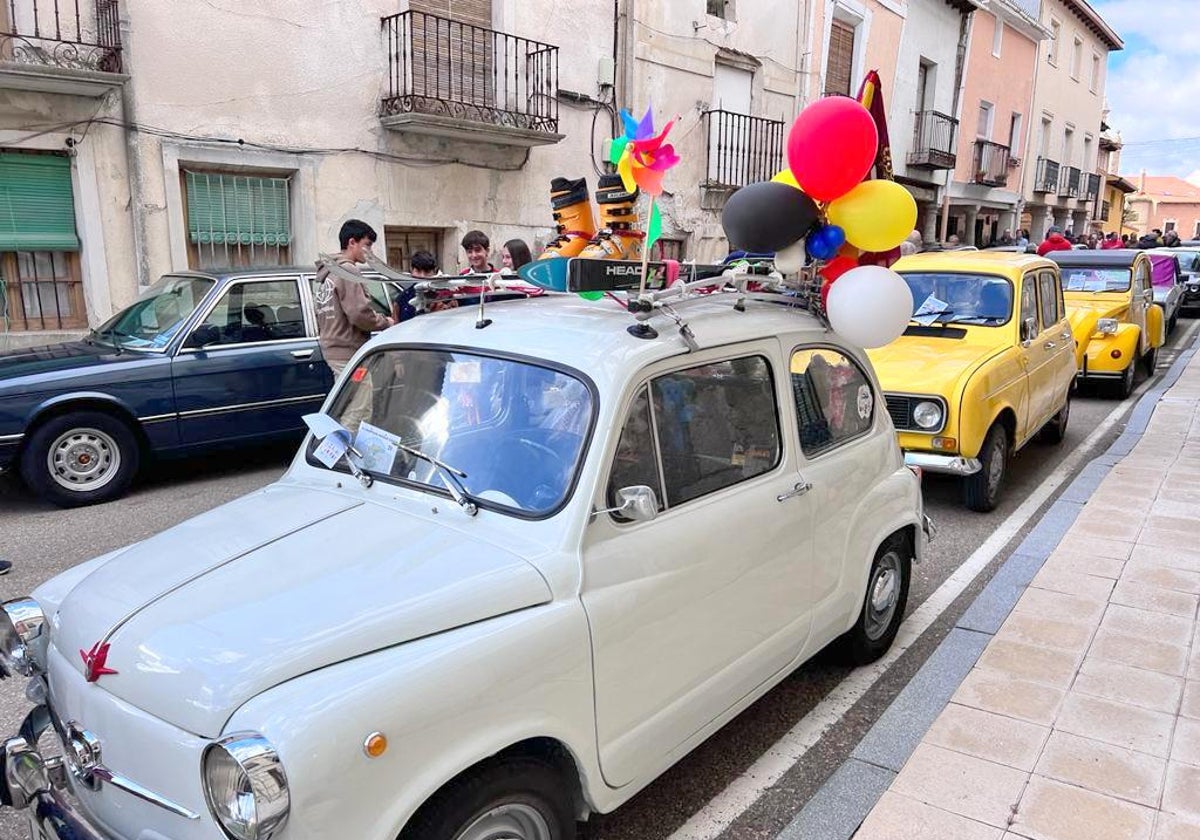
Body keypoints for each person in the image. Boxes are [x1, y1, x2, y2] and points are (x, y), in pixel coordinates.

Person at [315, 219, 394, 378]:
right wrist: (386, 322)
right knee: (360, 400)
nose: (370, 251)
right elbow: (360, 314)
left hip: (334, 350)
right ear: (352, 242)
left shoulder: (330, 272)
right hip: (348, 353)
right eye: (368, 244)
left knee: (348, 400)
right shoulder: (348, 270)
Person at [392, 250, 440, 323]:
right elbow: (395, 328)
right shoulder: (401, 300)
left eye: (427, 272)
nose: (422, 276)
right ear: (411, 270)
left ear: (434, 271)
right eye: (418, 271)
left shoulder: (445, 297)